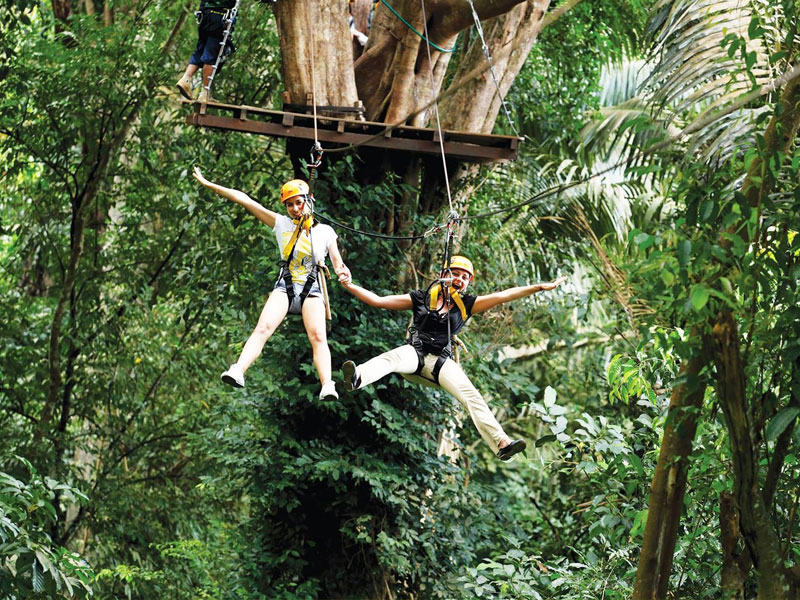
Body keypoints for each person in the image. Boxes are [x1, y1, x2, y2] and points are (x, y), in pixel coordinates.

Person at [340, 256, 566, 461]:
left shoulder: (466, 305)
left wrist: (538, 287)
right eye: (455, 274)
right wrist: (349, 285)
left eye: (464, 277)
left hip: (440, 364)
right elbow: (378, 301)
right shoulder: (421, 298)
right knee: (394, 357)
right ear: (443, 275)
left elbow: (503, 296)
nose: (459, 279)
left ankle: (502, 443)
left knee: (472, 396)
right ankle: (358, 377)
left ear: (468, 282)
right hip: (415, 356)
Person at [192, 167, 351, 400]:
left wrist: (343, 273)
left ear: (309, 201)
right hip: (285, 286)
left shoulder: (325, 231)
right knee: (263, 328)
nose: (294, 208)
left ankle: (327, 384)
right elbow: (245, 200)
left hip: (312, 288)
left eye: (298, 203)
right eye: (290, 204)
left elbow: (338, 263)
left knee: (318, 336)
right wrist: (209, 184)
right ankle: (238, 370)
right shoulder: (281, 224)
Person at [176, 0, 237, 103]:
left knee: (201, 50)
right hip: (220, 16)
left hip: (205, 15)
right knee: (212, 55)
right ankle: (205, 93)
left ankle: (186, 78)